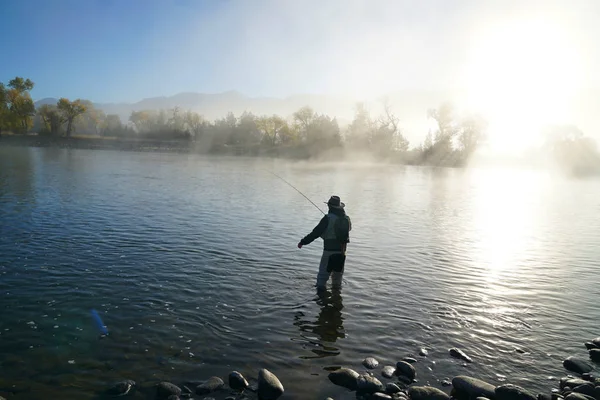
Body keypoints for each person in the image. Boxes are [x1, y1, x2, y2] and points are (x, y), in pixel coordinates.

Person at [297, 195, 352, 291]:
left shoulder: (327, 218)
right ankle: (336, 298)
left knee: (322, 278)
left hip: (328, 251)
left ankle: (320, 298)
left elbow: (316, 233)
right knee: (337, 278)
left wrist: (303, 242)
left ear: (329, 206)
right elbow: (349, 229)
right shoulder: (347, 219)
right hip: (342, 252)